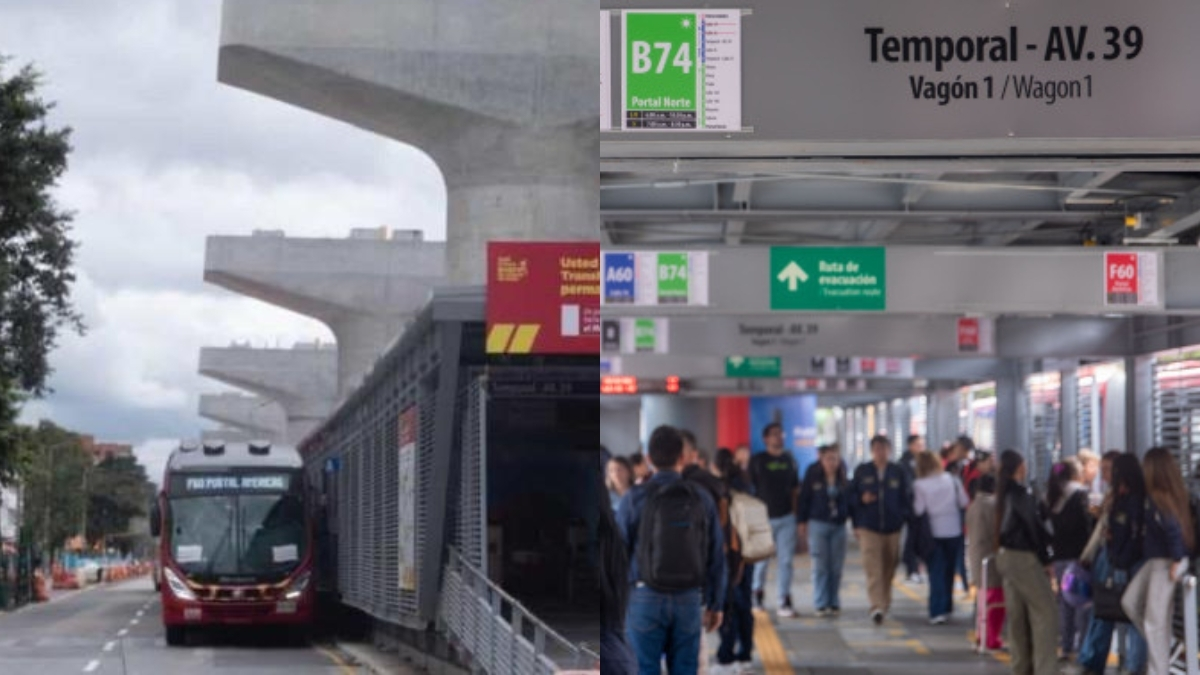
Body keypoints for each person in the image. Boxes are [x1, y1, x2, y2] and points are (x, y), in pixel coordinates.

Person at [617, 426, 726, 675]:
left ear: (648, 458)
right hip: (688, 598)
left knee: (644, 669)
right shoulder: (701, 498)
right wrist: (715, 603)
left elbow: (617, 555)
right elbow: (716, 555)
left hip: (644, 596)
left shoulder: (634, 498)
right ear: (683, 458)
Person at [1122, 448, 1194, 675]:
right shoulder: (1163, 497)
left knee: (1155, 621)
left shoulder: (1160, 500)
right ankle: (1170, 646)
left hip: (1166, 563)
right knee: (1131, 603)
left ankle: (1158, 670)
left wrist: (1177, 560)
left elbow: (1172, 530)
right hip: (1155, 561)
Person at [994, 449, 1058, 675]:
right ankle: (1045, 669)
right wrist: (1046, 557)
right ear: (1020, 468)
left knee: (1018, 616)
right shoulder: (1022, 495)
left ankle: (1021, 668)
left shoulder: (1002, 494)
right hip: (1024, 558)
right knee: (1046, 613)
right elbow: (1034, 527)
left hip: (1005, 557)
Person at [850, 434, 911, 625]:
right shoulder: (863, 471)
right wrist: (861, 500)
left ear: (889, 450)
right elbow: (851, 496)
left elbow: (906, 496)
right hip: (869, 526)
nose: (880, 453)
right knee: (873, 567)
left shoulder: (898, 471)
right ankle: (876, 605)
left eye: (884, 449)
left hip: (893, 527)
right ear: (872, 451)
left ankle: (885, 602)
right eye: (877, 449)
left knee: (889, 566)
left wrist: (902, 517)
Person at [1043, 459, 1093, 661]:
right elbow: (1085, 526)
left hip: (1059, 557)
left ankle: (1066, 647)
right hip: (1079, 558)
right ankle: (1082, 649)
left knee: (1065, 603)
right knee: (1082, 604)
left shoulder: (1050, 497)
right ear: (1075, 475)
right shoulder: (1080, 495)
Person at [749, 422, 801, 618]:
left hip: (787, 517)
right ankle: (757, 595)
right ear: (765, 439)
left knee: (786, 561)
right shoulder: (758, 461)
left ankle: (784, 599)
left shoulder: (789, 460)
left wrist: (796, 516)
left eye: (780, 434)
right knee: (761, 561)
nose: (779, 437)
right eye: (774, 434)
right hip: (763, 519)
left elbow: (795, 490)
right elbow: (750, 490)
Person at [711, 448, 755, 675]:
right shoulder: (746, 485)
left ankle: (726, 656)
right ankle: (745, 654)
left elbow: (728, 531)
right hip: (749, 553)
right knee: (744, 605)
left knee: (728, 606)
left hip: (732, 556)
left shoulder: (722, 491)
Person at [912, 450, 969, 624]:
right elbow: (964, 502)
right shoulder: (952, 480)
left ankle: (937, 610)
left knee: (936, 571)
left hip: (933, 533)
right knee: (950, 571)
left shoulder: (919, 485)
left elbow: (918, 510)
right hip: (953, 531)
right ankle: (947, 606)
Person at [797, 444, 851, 617]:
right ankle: (820, 602)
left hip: (839, 526)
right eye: (828, 459)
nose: (831, 462)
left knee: (835, 566)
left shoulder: (843, 478)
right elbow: (804, 498)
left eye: (834, 459)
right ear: (821, 459)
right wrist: (802, 521)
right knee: (820, 565)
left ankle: (833, 601)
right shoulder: (813, 476)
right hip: (818, 523)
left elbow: (850, 501)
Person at [599, 459, 637, 674]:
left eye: (619, 469)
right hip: (615, 639)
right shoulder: (612, 535)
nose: (615, 474)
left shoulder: (630, 500)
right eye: (611, 470)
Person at [966, 475, 1004, 650]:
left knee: (983, 600)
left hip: (976, 558)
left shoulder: (973, 505)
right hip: (991, 559)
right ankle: (991, 638)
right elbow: (997, 531)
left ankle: (982, 634)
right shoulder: (992, 505)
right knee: (995, 601)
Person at [899, 435, 926, 584]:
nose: (921, 447)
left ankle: (916, 567)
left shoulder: (921, 462)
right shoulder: (905, 464)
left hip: (919, 507)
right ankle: (911, 568)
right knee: (912, 539)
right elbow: (908, 486)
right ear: (910, 446)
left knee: (918, 539)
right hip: (910, 508)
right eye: (918, 445)